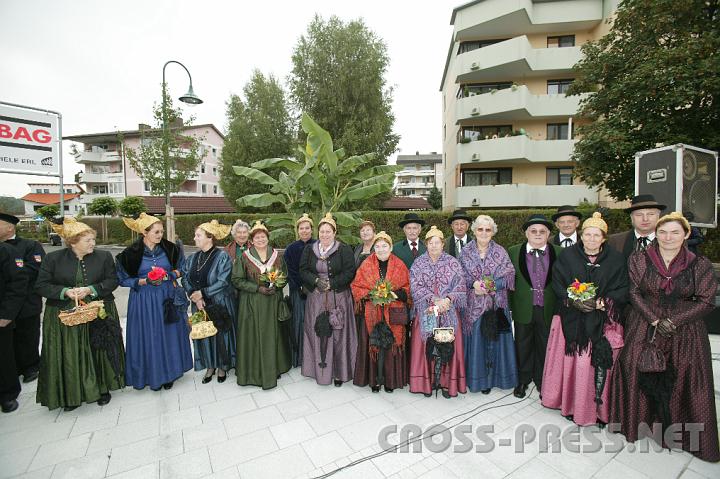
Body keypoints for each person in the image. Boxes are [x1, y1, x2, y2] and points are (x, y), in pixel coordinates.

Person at [611, 212, 719, 462]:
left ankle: (682, 433)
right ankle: (639, 424)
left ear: (686, 234)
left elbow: (706, 301)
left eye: (674, 232)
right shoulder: (640, 258)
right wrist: (655, 320)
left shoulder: (699, 263)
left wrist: (675, 321)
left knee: (686, 376)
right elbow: (634, 292)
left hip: (686, 328)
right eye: (663, 232)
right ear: (655, 234)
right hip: (646, 323)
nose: (668, 237)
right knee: (633, 366)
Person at [542, 212, 628, 426]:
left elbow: (623, 287)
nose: (591, 239)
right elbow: (558, 282)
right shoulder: (568, 256)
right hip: (573, 319)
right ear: (581, 235)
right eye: (587, 234)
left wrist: (604, 301)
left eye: (596, 235)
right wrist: (573, 300)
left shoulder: (616, 259)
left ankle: (599, 408)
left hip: (604, 321)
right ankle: (572, 405)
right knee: (576, 365)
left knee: (599, 366)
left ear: (604, 238)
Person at [35, 218, 125, 410]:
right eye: (88, 240)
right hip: (65, 314)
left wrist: (91, 289)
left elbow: (112, 281)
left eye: (93, 239)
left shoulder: (104, 257)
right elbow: (41, 285)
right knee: (70, 354)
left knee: (99, 351)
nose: (93, 243)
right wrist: (65, 292)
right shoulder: (53, 259)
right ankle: (72, 393)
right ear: (73, 242)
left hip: (98, 310)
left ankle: (102, 388)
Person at [116, 213, 192, 391]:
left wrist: (170, 275)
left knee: (168, 335)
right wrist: (141, 281)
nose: (160, 235)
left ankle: (169, 374)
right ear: (145, 232)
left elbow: (183, 268)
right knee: (149, 336)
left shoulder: (170, 249)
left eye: (161, 231)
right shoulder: (130, 254)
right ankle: (150, 374)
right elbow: (121, 279)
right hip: (143, 300)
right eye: (156, 232)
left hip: (167, 297)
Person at [459, 215, 517, 394]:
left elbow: (509, 276)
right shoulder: (465, 252)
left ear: (493, 232)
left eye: (488, 229)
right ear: (474, 231)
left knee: (496, 342)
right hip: (473, 308)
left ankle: (495, 379)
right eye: (480, 229)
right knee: (477, 343)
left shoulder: (500, 251)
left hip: (496, 307)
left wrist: (488, 286)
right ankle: (478, 380)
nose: (484, 233)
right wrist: (473, 284)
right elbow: (459, 276)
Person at [409, 226, 467, 398]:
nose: (434, 246)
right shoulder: (418, 263)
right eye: (430, 243)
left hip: (448, 311)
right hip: (427, 310)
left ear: (443, 244)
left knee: (447, 345)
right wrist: (434, 300)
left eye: (437, 243)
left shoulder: (453, 262)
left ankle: (445, 383)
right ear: (426, 244)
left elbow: (461, 285)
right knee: (427, 344)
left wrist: (448, 299)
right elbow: (415, 286)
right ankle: (427, 382)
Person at [232, 221, 291, 389]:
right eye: (257, 237)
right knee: (255, 335)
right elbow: (236, 280)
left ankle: (276, 367)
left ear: (267, 238)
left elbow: (285, 275)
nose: (260, 239)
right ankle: (255, 371)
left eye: (263, 236)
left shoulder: (277, 255)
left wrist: (277, 285)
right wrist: (257, 288)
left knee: (275, 334)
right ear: (252, 239)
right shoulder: (244, 257)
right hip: (252, 303)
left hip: (273, 301)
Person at [300, 213, 357, 386]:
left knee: (338, 333)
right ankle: (316, 369)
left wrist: (332, 283)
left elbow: (349, 272)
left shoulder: (344, 249)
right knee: (316, 332)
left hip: (338, 297)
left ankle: (339, 371)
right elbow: (303, 270)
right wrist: (316, 281)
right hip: (316, 298)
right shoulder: (310, 249)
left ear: (334, 232)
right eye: (322, 231)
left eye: (328, 231)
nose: (325, 235)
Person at [508, 214, 560, 398]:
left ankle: (541, 380)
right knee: (522, 344)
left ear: (548, 234)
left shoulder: (559, 252)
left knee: (545, 345)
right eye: (533, 231)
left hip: (548, 308)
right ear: (526, 233)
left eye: (542, 231)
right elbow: (508, 281)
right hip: (523, 307)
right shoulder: (513, 252)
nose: (538, 234)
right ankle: (523, 379)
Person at [351, 231, 410, 393]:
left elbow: (407, 289)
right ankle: (374, 380)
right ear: (374, 248)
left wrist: (393, 294)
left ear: (391, 247)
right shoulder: (366, 264)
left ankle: (390, 381)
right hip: (372, 312)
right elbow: (356, 286)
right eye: (377, 246)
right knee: (374, 344)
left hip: (393, 312)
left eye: (384, 246)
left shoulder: (399, 265)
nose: (381, 249)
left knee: (390, 347)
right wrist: (372, 294)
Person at [183, 220, 236, 384]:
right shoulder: (193, 258)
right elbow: (185, 277)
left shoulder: (222, 257)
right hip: (198, 304)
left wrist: (203, 294)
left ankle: (222, 366)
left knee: (220, 335)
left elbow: (223, 281)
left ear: (210, 238)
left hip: (218, 302)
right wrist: (193, 294)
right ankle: (209, 366)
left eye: (198, 235)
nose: (194, 238)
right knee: (203, 334)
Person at [0, 212, 45, 383]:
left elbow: (36, 268)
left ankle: (31, 366)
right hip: (4, 302)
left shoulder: (30, 245)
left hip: (27, 301)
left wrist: (9, 271)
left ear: (9, 227)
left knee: (27, 335)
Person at [284, 214, 316, 368]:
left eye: (307, 228)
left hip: (316, 291)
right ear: (297, 231)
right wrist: (301, 286)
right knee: (299, 322)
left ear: (311, 230)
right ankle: (299, 357)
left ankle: (315, 356)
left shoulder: (318, 245)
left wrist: (312, 285)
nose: (304, 231)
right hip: (298, 291)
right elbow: (290, 271)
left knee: (314, 322)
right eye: (301, 228)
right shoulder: (291, 248)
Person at [0, 241, 29, 413]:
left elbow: (17, 282)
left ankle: (7, 394)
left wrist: (6, 314)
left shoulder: (4, 251)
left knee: (3, 356)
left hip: (2, 315)